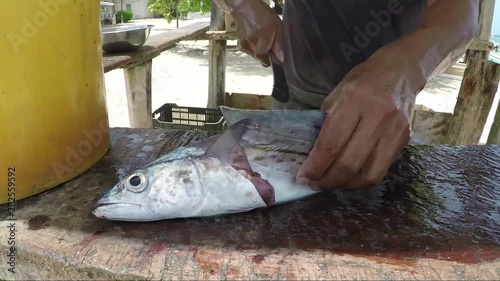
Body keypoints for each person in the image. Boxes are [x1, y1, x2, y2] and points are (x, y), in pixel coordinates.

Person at [213, 0, 480, 190]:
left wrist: (405, 69)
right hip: (294, 97)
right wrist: (241, 4)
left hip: (383, 111)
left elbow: (461, 9)